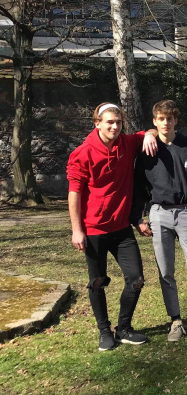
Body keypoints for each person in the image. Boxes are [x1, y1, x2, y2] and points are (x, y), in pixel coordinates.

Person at [67, 102, 158, 351]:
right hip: (93, 230)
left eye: (118, 122)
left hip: (121, 229)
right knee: (98, 281)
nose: (115, 127)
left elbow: (149, 131)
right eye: (109, 122)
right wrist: (77, 230)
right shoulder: (83, 153)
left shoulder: (127, 143)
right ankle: (104, 331)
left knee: (136, 279)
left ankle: (124, 328)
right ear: (97, 123)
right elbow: (74, 193)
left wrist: (149, 135)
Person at [131, 100, 187, 342]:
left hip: (186, 213)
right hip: (159, 214)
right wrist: (138, 217)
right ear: (155, 121)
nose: (166, 123)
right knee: (166, 271)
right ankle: (176, 321)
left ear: (175, 120)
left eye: (170, 118)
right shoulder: (147, 149)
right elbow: (138, 186)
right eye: (161, 119)